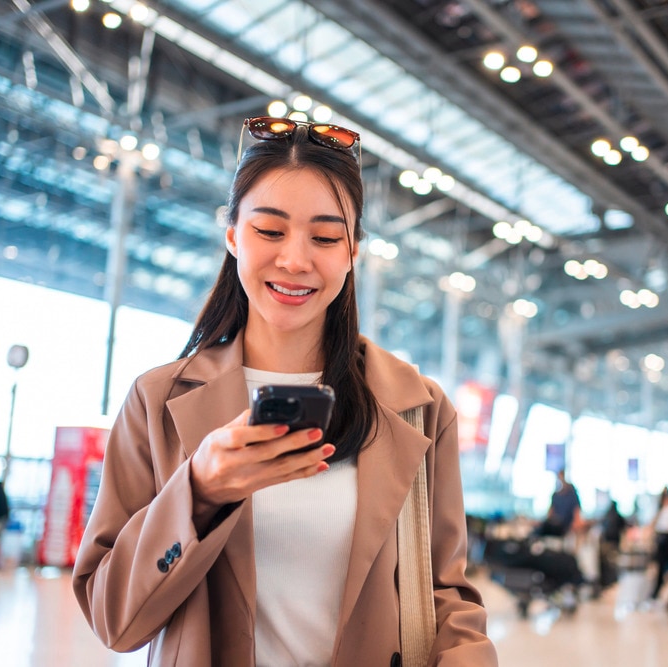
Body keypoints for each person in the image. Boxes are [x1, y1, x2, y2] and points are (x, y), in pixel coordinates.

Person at [72, 116, 498, 666]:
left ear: (352, 252)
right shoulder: (158, 401)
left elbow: (447, 597)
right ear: (232, 236)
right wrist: (199, 492)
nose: (295, 260)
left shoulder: (417, 407)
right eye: (269, 231)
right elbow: (113, 619)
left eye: (324, 237)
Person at [537, 469, 581, 538]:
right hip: (555, 524)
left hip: (565, 526)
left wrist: (574, 527)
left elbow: (577, 514)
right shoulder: (555, 496)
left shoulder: (572, 496)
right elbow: (550, 513)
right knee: (540, 529)